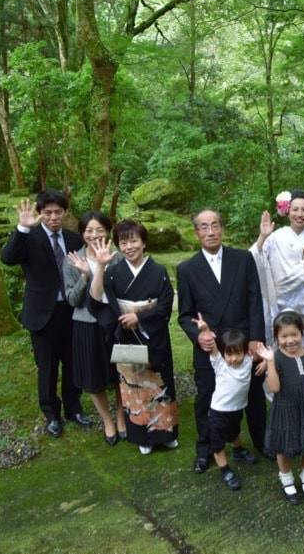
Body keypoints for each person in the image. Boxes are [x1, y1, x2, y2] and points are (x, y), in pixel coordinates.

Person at [177, 209, 266, 474]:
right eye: (204, 227)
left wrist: (256, 340)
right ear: (196, 233)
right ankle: (205, 450)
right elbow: (184, 315)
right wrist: (199, 335)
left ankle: (261, 442)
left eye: (215, 225)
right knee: (206, 398)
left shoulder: (243, 258)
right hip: (210, 348)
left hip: (242, 345)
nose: (210, 232)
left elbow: (255, 301)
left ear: (222, 229)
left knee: (253, 395)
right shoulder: (187, 269)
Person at [1, 189, 90, 437]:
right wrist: (22, 228)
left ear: (65, 213)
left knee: (73, 363)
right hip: (42, 314)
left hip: (71, 310)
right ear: (40, 213)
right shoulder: (29, 238)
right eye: (48, 212)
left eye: (58, 212)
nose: (53, 217)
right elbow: (8, 259)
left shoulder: (73, 240)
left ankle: (74, 408)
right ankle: (51, 414)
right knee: (47, 367)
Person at [89, 220, 178, 455]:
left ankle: (166, 432)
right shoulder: (114, 272)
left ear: (144, 242)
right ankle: (142, 436)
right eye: (124, 242)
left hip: (154, 334)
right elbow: (97, 301)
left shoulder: (158, 271)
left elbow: (166, 305)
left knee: (161, 383)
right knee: (134, 388)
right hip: (126, 336)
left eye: (134, 240)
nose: (129, 246)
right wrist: (100, 266)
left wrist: (140, 318)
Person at [64, 211, 126, 445]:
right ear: (82, 233)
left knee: (120, 373)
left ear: (108, 231)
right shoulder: (72, 259)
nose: (94, 235)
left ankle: (121, 416)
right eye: (89, 230)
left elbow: (122, 293)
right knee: (92, 376)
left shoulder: (118, 258)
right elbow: (72, 300)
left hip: (113, 324)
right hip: (86, 326)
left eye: (99, 230)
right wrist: (83, 276)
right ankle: (107, 421)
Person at [258, 311, 304, 505]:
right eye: (284, 336)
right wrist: (270, 362)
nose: (290, 340)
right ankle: (286, 479)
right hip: (285, 408)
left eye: (294, 334)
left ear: (302, 333)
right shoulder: (277, 359)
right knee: (283, 444)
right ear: (276, 337)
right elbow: (274, 388)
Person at [251, 189, 304, 348]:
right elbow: (254, 258)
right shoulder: (274, 238)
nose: (299, 214)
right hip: (279, 307)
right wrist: (263, 236)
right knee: (282, 350)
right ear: (287, 211)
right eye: (295, 209)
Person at [191, 315, 259, 491]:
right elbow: (212, 346)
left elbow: (265, 354)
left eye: (238, 353)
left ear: (245, 352)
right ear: (223, 353)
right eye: (229, 354)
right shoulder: (220, 364)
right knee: (218, 442)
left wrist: (266, 364)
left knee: (235, 431)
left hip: (237, 408)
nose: (234, 358)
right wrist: (205, 329)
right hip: (219, 411)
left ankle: (238, 451)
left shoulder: (247, 362)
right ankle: (225, 470)